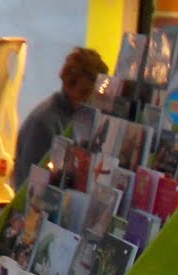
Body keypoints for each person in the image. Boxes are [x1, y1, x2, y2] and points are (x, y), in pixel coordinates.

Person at [11, 46, 111, 187]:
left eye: (96, 94)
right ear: (67, 85)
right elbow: (31, 186)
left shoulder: (78, 117)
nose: (90, 101)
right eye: (84, 93)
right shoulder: (44, 123)